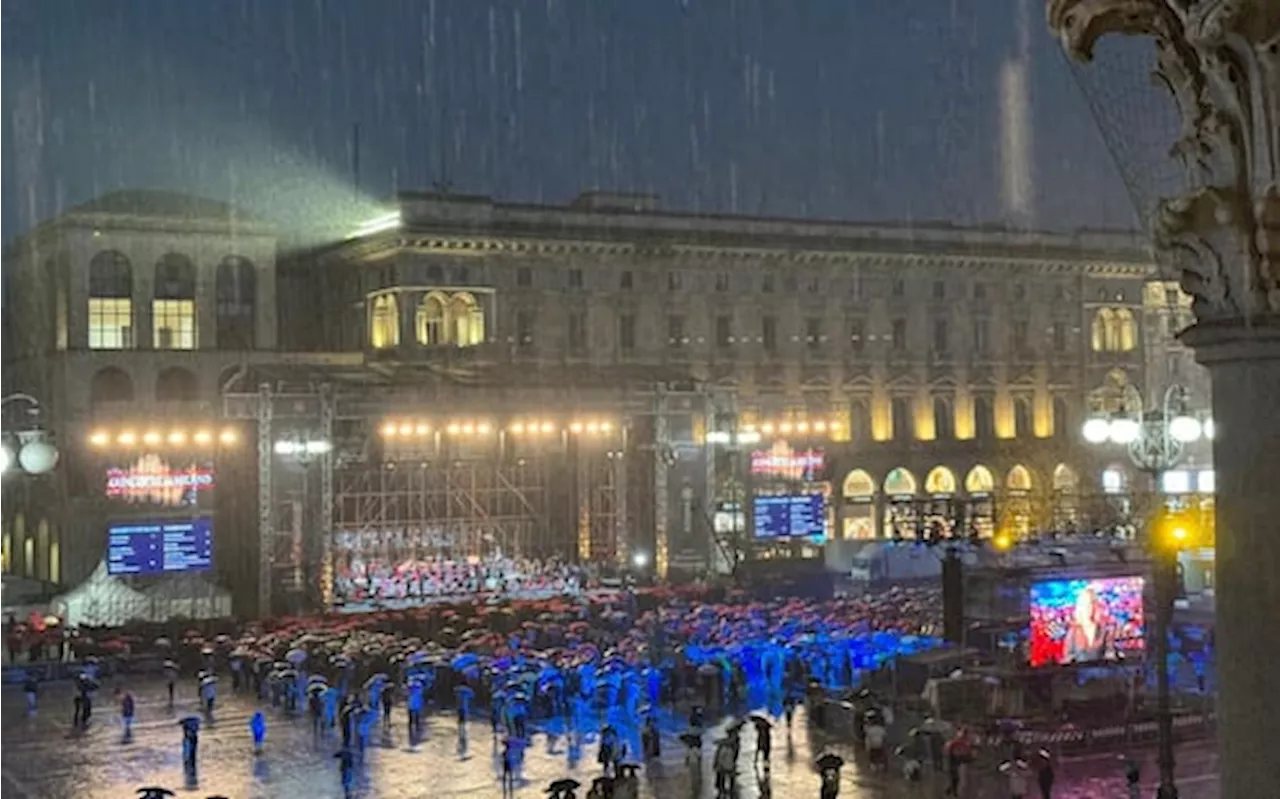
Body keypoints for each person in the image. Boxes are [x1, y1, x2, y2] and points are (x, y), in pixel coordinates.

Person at [1062, 588, 1114, 664]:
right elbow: (1068, 657)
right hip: (1078, 674)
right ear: (1080, 607)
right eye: (1085, 605)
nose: (1088, 608)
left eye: (1091, 604)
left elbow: (1110, 653)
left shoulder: (1104, 630)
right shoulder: (1073, 631)